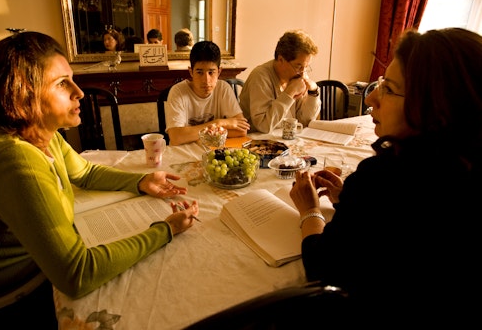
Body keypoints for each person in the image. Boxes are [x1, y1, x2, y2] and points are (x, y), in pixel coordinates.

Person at [0, 31, 199, 329]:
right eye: (61, 83)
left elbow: (86, 172)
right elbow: (77, 274)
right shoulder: (13, 160)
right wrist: (165, 230)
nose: (79, 92)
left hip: (31, 271)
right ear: (24, 94)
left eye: (71, 78)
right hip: (0, 300)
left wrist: (141, 181)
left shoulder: (40, 133)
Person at [289, 28, 482, 324]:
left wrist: (310, 210)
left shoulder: (386, 178)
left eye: (390, 88)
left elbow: (324, 269)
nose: (374, 97)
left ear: (436, 108)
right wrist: (350, 200)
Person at [164, 40, 250, 146]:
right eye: (199, 72)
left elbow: (241, 130)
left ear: (219, 72)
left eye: (211, 72)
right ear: (191, 72)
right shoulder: (178, 92)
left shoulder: (223, 88)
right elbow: (177, 137)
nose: (206, 80)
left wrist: (192, 134)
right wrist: (219, 123)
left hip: (214, 153)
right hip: (184, 153)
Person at [239, 29, 321, 134]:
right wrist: (289, 93)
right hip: (257, 141)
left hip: (284, 139)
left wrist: (313, 92)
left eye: (306, 67)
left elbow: (304, 122)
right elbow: (264, 126)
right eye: (298, 66)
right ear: (281, 59)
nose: (303, 73)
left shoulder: (296, 77)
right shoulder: (260, 76)